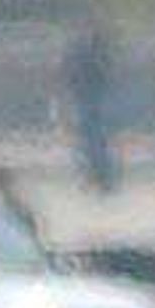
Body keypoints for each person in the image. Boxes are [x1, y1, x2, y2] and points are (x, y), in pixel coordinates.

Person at [62, 22, 120, 194]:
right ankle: (99, 178)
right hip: (93, 102)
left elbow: (74, 78)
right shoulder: (98, 56)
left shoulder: (88, 56)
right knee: (94, 143)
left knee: (91, 143)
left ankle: (98, 178)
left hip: (90, 103)